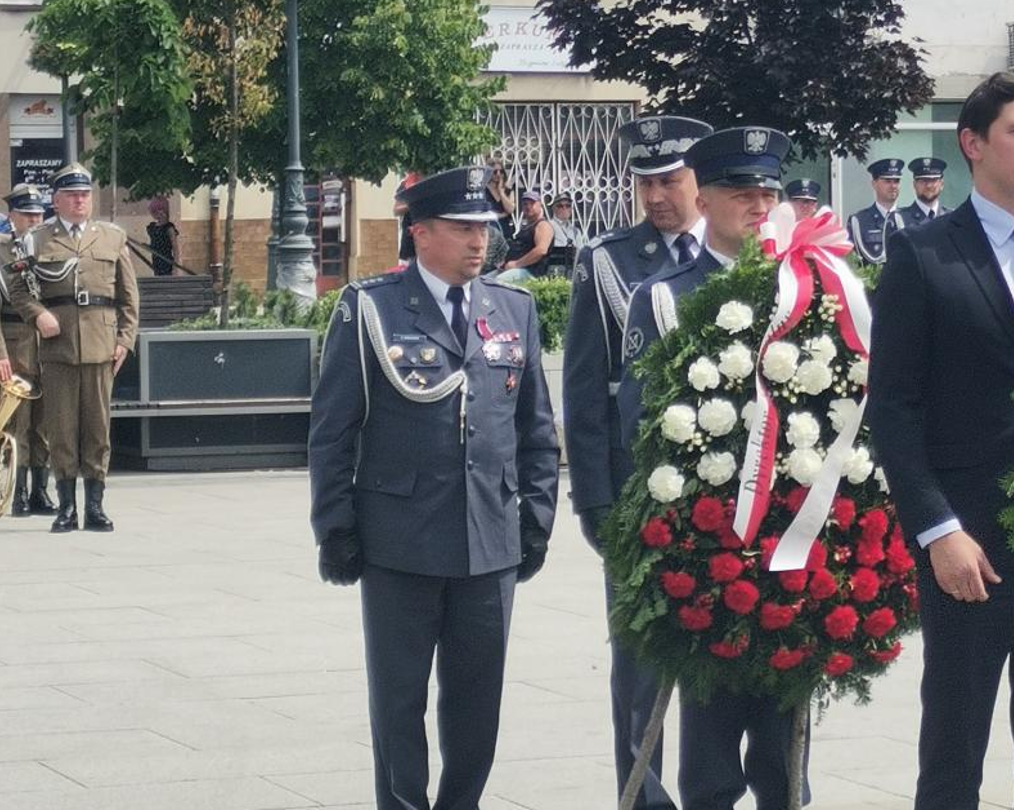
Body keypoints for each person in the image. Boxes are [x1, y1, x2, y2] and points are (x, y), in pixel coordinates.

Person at [866, 70, 1014, 810]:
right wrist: (937, 529)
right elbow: (893, 407)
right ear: (973, 144)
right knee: (954, 748)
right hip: (971, 542)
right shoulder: (925, 254)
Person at [308, 164, 560, 810]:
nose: (480, 241)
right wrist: (334, 528)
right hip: (400, 541)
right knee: (398, 701)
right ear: (420, 233)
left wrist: (536, 520)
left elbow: (536, 431)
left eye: (485, 228)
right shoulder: (371, 308)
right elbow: (333, 431)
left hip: (489, 539)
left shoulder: (513, 308)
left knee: (478, 702)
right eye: (461, 228)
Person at [619, 125, 812, 810]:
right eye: (739, 192)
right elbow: (641, 425)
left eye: (767, 193)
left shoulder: (806, 288)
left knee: (785, 749)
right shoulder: (664, 297)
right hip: (707, 547)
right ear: (703, 200)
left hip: (790, 540)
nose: (758, 205)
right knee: (709, 754)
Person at [564, 113, 712, 810]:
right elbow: (585, 390)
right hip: (636, 492)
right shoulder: (608, 260)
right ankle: (643, 796)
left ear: (699, 180)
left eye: (669, 181)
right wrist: (595, 500)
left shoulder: (738, 253)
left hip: (728, 493)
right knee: (639, 662)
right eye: (645, 183)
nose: (655, 197)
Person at [8, 162, 141, 533]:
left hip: (101, 345)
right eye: (71, 194)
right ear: (56, 200)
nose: (80, 200)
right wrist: (38, 315)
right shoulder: (37, 240)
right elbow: (18, 290)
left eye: (84, 194)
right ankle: (66, 506)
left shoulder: (111, 237)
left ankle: (95, 506)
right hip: (59, 346)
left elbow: (129, 296)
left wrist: (125, 339)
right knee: (62, 428)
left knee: (97, 429)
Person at [0, 184, 56, 517]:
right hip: (14, 345)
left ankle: (40, 490)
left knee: (44, 424)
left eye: (38, 214)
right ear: (12, 216)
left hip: (48, 346)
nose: (34, 220)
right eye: (26, 214)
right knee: (15, 424)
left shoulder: (52, 250)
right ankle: (17, 490)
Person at [849, 158, 908, 265]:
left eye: (896, 181)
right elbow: (853, 262)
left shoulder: (908, 218)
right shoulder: (859, 221)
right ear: (874, 184)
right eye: (887, 181)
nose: (893, 186)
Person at [500, 190, 553, 279]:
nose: (528, 207)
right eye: (525, 204)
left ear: (540, 205)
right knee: (485, 279)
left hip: (531, 273)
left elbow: (541, 250)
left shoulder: (542, 225)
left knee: (495, 283)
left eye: (532, 203)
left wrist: (516, 264)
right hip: (514, 269)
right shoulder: (527, 226)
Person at [544, 192, 582, 278]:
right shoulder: (548, 226)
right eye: (560, 206)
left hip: (572, 272)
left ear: (571, 209)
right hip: (554, 272)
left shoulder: (576, 231)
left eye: (568, 206)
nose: (564, 208)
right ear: (554, 209)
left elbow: (580, 254)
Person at [901, 157, 949, 223]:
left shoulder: (952, 217)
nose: (928, 186)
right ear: (914, 185)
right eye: (923, 180)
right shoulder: (899, 218)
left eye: (933, 180)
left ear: (942, 184)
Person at [145, 197, 178, 276]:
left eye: (159, 211)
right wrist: (148, 247)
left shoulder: (169, 228)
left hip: (166, 261)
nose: (156, 214)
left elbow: (175, 248)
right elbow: (155, 245)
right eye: (154, 212)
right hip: (156, 260)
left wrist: (175, 267)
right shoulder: (153, 227)